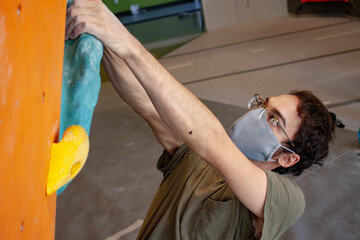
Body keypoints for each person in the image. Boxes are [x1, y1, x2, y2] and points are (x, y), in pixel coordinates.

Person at [65, 1, 335, 239]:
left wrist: (125, 41)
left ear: (288, 158)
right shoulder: (195, 157)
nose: (260, 114)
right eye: (265, 105)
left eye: (275, 119)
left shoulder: (286, 200)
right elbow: (146, 103)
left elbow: (212, 141)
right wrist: (103, 35)